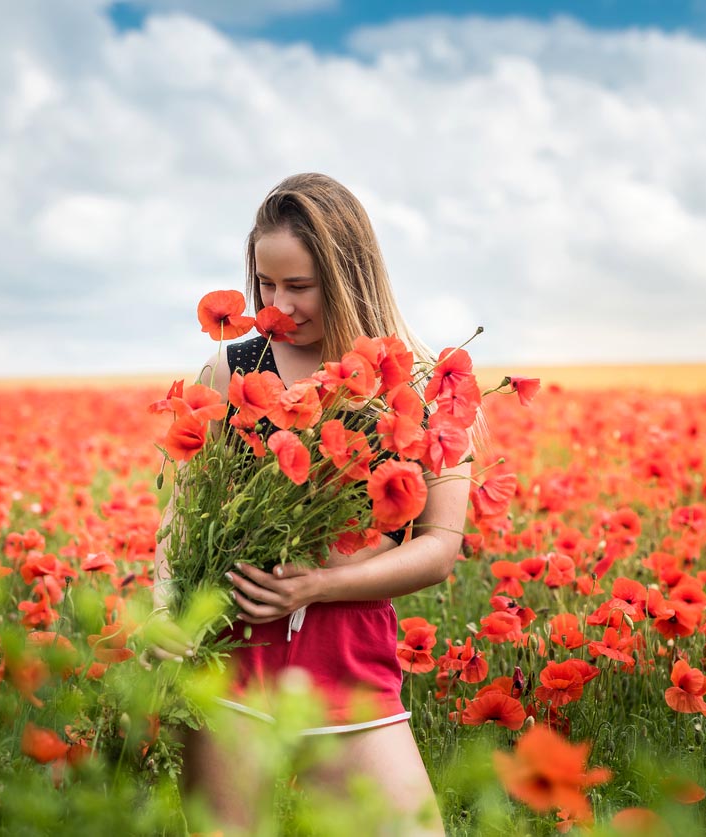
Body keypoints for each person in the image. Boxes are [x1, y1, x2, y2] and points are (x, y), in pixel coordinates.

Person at [154, 173, 473, 836]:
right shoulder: (229, 371)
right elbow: (178, 522)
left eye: (299, 286)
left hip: (349, 661)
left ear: (348, 275)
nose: (278, 303)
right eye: (266, 284)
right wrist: (165, 614)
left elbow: (440, 548)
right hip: (228, 656)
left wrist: (319, 585)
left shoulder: (421, 388)